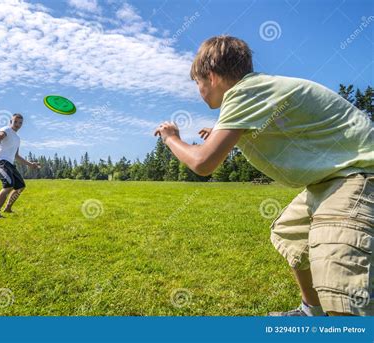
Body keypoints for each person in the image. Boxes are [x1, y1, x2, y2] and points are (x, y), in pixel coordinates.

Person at [154, 35, 373, 316]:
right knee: (291, 234)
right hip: (332, 179)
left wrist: (171, 138)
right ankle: (312, 311)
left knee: (342, 287)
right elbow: (274, 130)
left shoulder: (243, 92)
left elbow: (203, 163)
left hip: (358, 176)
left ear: (210, 75)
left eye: (197, 83)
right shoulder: (255, 92)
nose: (199, 90)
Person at [0, 113, 40, 220]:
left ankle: (8, 208)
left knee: (20, 186)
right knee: (9, 185)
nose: (18, 124)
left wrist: (30, 164)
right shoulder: (6, 129)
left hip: (10, 164)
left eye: (20, 123)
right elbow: (1, 135)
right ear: (11, 122)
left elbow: (16, 156)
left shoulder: (17, 138)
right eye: (15, 121)